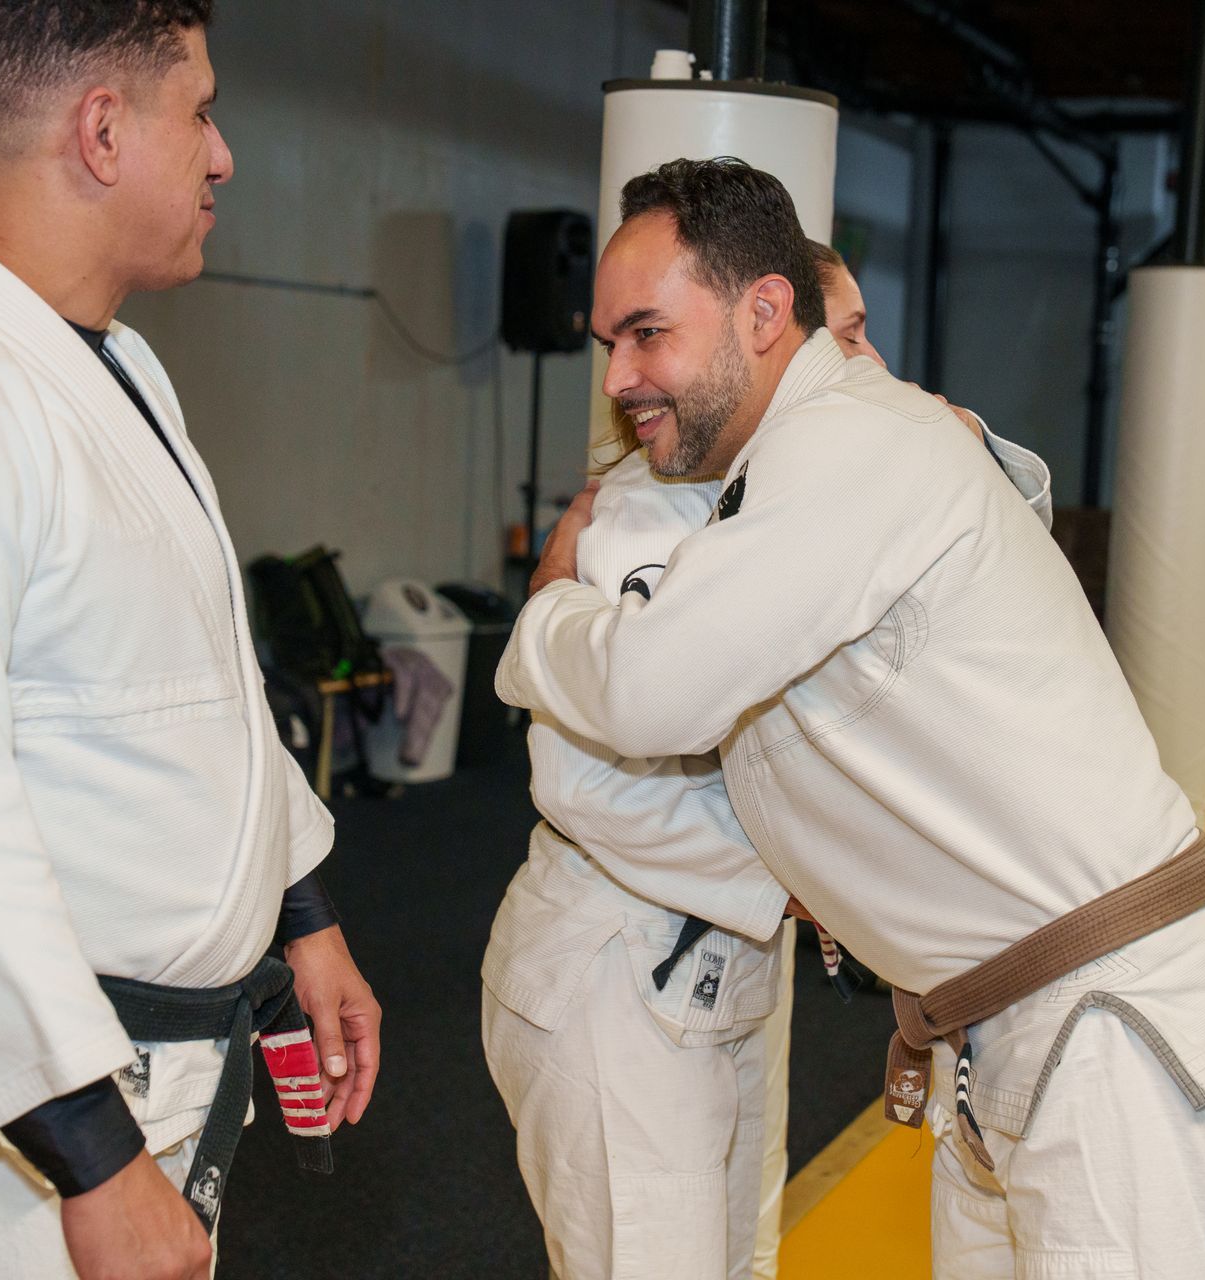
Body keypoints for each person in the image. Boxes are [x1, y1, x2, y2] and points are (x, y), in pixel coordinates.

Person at [498, 157, 1205, 1278]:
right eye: (609, 343)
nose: (621, 375)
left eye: (648, 333)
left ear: (768, 313)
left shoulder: (851, 443)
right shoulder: (804, 463)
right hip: (1000, 1024)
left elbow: (646, 686)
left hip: (1104, 1023)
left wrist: (542, 612)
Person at [0, 4, 379, 1277]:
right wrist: (91, 1151)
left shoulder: (113, 366)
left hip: (127, 1084)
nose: (223, 155)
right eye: (198, 110)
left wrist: (296, 906)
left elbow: (187, 684)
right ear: (102, 129)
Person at [482, 230, 1051, 1279]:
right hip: (618, 961)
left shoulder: (813, 498)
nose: (863, 367)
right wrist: (813, 879)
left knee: (742, 1261)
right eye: (839, 340)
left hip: (720, 972)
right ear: (766, 346)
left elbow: (1012, 537)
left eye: (867, 337)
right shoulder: (652, 516)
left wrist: (946, 430)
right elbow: (594, 778)